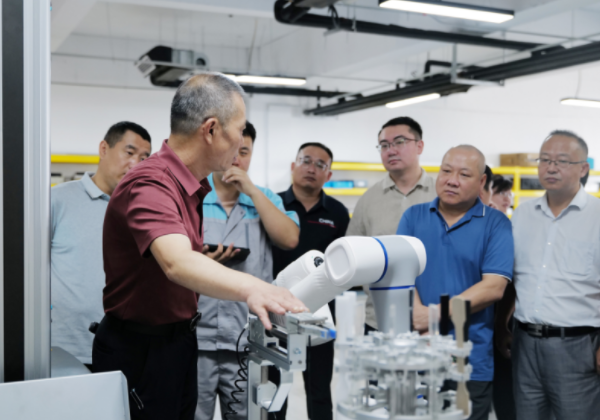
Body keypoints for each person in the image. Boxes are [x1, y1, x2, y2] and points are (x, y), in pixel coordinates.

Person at [92, 73, 307, 420]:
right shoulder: (151, 183)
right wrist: (256, 288)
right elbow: (177, 262)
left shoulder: (189, 186)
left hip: (176, 341)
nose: (241, 142)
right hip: (142, 348)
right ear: (211, 130)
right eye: (239, 130)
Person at [397, 145, 514, 420]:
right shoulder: (413, 216)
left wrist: (433, 315)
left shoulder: (496, 224)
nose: (452, 180)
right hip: (417, 351)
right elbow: (400, 272)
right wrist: (419, 319)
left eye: (464, 174)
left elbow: (493, 287)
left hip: (470, 357)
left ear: (482, 181)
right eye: (446, 171)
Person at [195, 121, 300, 420]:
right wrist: (202, 260)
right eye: (231, 149)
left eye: (244, 151)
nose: (236, 158)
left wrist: (252, 192)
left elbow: (289, 239)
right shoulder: (194, 196)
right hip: (198, 335)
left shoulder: (265, 198)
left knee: (247, 415)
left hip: (248, 336)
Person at [496, 130, 600, 420]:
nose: (551, 167)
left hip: (578, 347)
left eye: (562, 161)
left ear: (583, 168)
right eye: (544, 160)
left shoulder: (597, 216)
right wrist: (501, 325)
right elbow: (513, 279)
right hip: (524, 344)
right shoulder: (522, 215)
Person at [51, 121, 152, 368]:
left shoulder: (144, 211)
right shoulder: (56, 199)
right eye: (129, 152)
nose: (135, 164)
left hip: (125, 347)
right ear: (104, 149)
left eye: (144, 158)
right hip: (65, 348)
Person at [271, 142, 350, 420]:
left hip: (321, 313)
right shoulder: (273, 204)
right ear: (293, 166)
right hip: (276, 309)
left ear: (329, 175)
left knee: (319, 389)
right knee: (274, 389)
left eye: (320, 164)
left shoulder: (338, 213)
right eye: (306, 161)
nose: (311, 168)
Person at [346, 116, 436, 331]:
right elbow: (353, 256)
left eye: (399, 142)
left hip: (432, 318)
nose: (391, 150)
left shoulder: (440, 194)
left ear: (420, 146)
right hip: (380, 320)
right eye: (384, 145)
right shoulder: (368, 200)